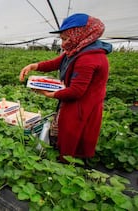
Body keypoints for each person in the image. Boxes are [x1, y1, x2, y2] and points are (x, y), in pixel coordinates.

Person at [19, 13, 112, 162]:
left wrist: (49, 94)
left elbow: (76, 91)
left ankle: (68, 166)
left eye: (66, 38)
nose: (63, 44)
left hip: (83, 105)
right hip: (74, 102)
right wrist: (34, 66)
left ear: (79, 35)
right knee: (67, 131)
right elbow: (56, 62)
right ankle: (65, 157)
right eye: (62, 39)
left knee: (73, 135)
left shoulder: (89, 58)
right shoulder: (77, 50)